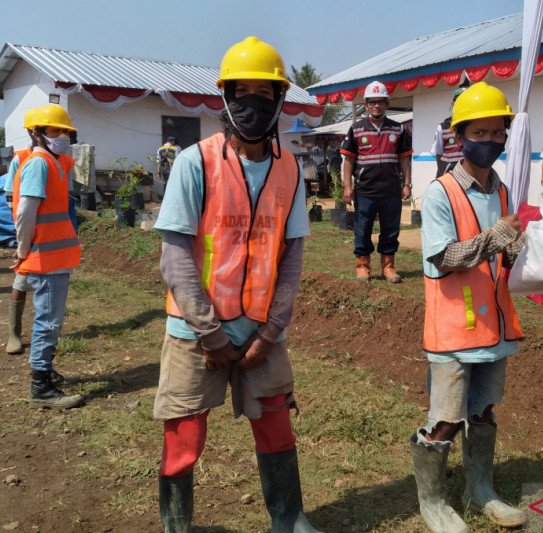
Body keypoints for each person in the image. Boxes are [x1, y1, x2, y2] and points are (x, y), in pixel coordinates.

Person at [152, 36, 321, 533]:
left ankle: (288, 520)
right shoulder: (194, 163)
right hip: (194, 333)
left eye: (264, 94)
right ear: (225, 98)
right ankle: (176, 527)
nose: (253, 104)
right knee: (183, 435)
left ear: (279, 101)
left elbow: (291, 259)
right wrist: (212, 335)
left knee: (275, 425)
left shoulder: (290, 168)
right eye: (241, 92)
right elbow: (176, 257)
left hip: (262, 333)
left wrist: (269, 332)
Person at [411, 81, 526, 532]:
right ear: (460, 138)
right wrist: (493, 239)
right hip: (453, 331)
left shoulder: (501, 190)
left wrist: (515, 249)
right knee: (445, 420)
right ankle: (433, 503)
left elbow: (503, 253)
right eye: (481, 134)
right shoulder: (441, 192)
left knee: (483, 412)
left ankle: (480, 491)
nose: (491, 142)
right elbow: (442, 258)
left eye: (498, 133)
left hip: (492, 328)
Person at [11, 104, 84, 409]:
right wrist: (23, 249)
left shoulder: (52, 161)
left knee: (49, 320)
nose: (62, 136)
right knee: (48, 322)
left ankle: (45, 371)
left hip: (52, 257)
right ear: (36, 133)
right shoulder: (40, 163)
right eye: (55, 131)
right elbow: (26, 211)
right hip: (45, 258)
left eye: (65, 131)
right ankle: (40, 386)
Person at [340, 80, 412, 283]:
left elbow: (404, 158)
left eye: (381, 102)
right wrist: (347, 187)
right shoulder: (356, 129)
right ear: (366, 105)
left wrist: (406, 183)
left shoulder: (398, 129)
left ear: (387, 104)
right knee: (363, 229)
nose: (377, 106)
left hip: (391, 191)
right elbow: (349, 160)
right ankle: (362, 266)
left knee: (390, 230)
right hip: (365, 191)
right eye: (372, 102)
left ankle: (388, 267)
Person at [4, 107, 37, 355]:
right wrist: (21, 234)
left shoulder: (60, 161)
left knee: (49, 288)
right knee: (21, 281)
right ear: (34, 132)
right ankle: (14, 334)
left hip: (52, 238)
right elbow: (11, 199)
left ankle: (44, 333)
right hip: (29, 233)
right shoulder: (21, 158)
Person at [431, 86, 467, 178]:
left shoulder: (475, 125)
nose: (463, 104)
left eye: (466, 101)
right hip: (449, 177)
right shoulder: (442, 127)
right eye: (459, 101)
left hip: (469, 175)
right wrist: (441, 175)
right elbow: (439, 154)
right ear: (453, 104)